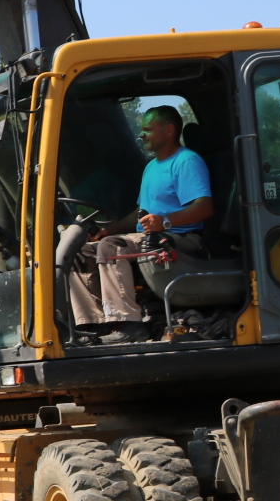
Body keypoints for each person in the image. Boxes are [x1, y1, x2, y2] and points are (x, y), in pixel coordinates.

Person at [67, 106, 214, 344]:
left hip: (181, 238)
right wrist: (110, 229)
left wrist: (165, 221)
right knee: (79, 251)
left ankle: (129, 324)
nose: (141, 135)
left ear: (168, 131)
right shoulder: (151, 166)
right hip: (147, 236)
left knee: (112, 247)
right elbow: (139, 213)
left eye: (148, 130)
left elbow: (204, 207)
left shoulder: (186, 161)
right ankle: (93, 324)